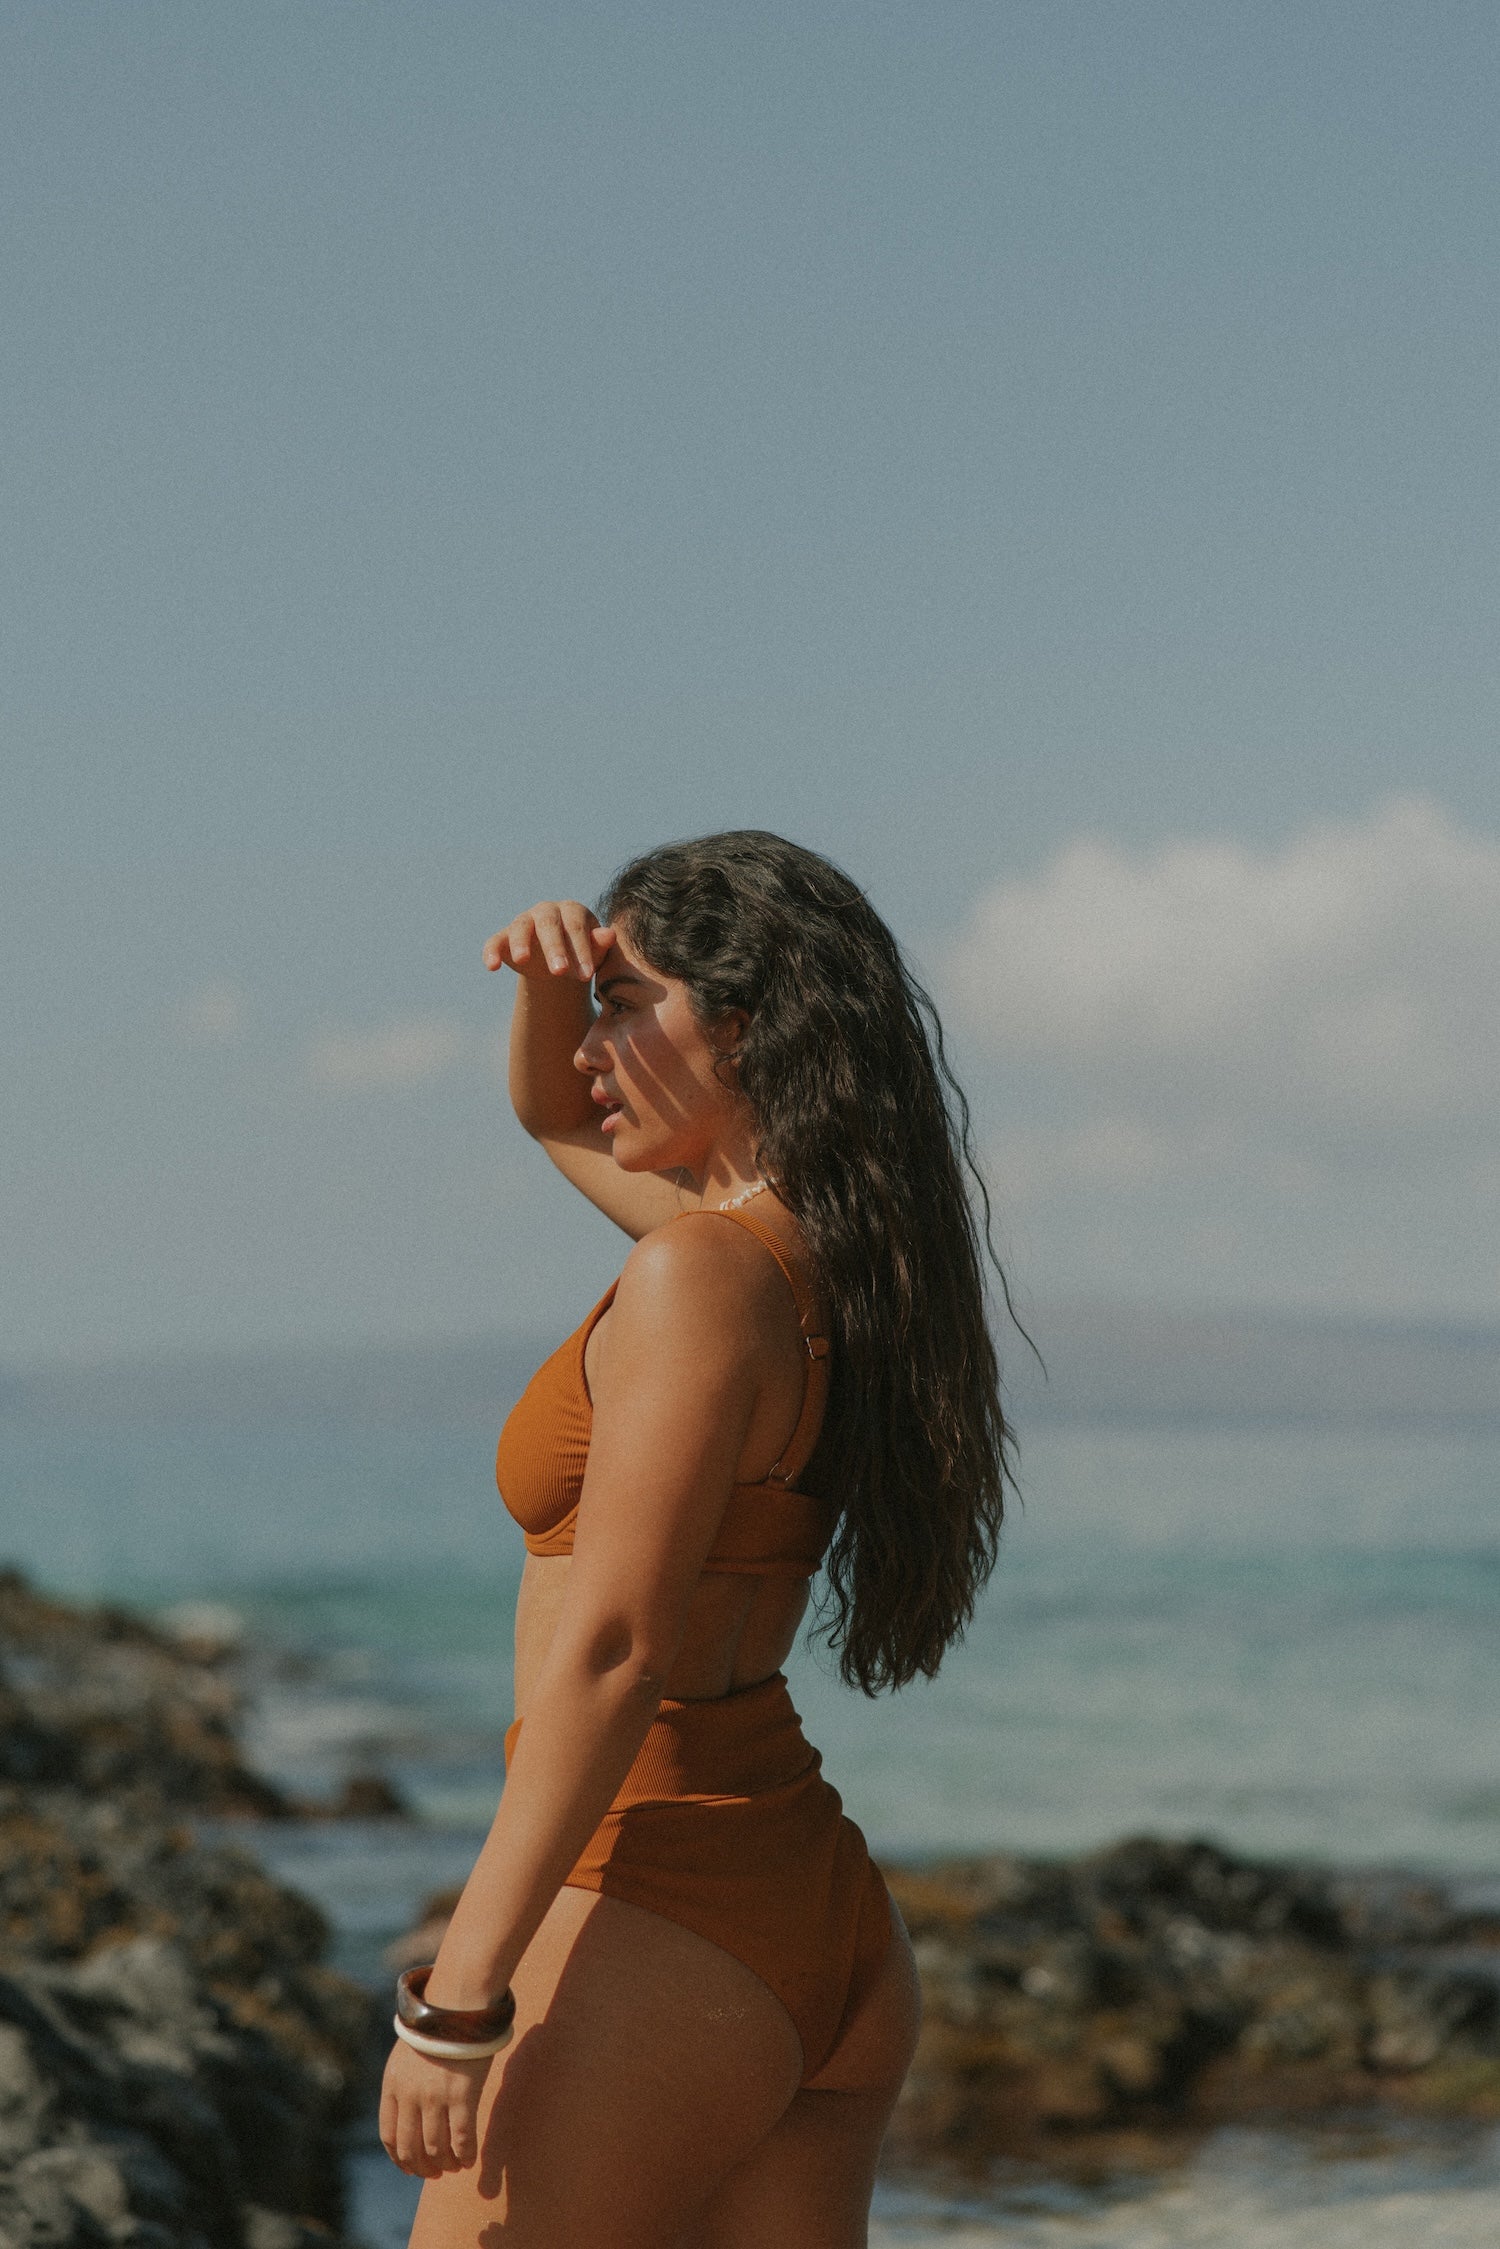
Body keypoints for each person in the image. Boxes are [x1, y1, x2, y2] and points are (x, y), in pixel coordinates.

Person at [381, 831, 1018, 2247]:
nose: (595, 1045)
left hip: (658, 1894)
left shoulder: (697, 1274)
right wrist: (558, 983)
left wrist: (459, 1997)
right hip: (812, 1914)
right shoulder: (820, 1262)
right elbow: (555, 1112)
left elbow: (614, 1649)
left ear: (743, 1025)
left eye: (629, 1002)